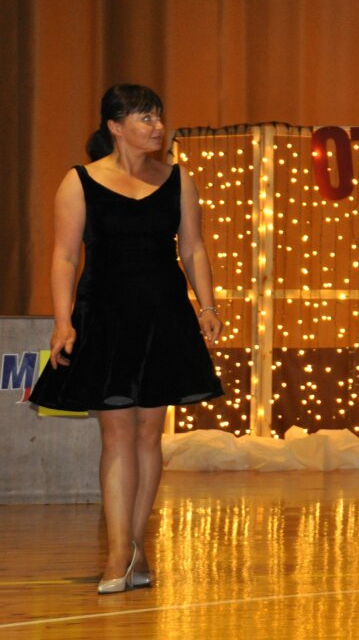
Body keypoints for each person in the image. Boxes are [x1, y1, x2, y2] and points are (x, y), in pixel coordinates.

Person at [29, 85, 224, 593]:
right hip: (105, 317)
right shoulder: (79, 181)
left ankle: (137, 546)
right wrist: (63, 321)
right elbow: (64, 257)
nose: (157, 126)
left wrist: (207, 307)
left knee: (148, 434)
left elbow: (194, 249)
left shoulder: (179, 179)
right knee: (116, 434)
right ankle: (118, 552)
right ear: (115, 127)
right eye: (145, 118)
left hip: (163, 315)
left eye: (158, 116)